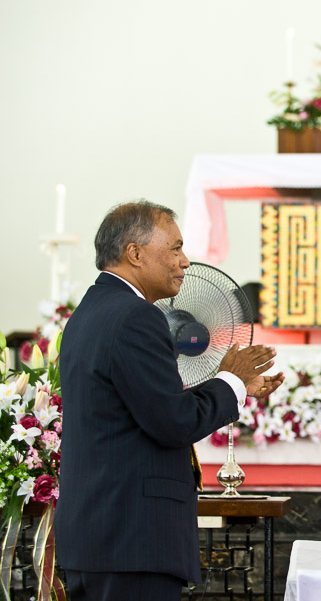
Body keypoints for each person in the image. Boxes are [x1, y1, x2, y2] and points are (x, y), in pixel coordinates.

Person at [55, 201, 284, 601]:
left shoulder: (90, 312)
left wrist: (236, 385)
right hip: (132, 540)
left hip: (100, 535)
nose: (186, 261)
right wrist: (230, 380)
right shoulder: (136, 316)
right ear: (135, 253)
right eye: (175, 248)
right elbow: (171, 422)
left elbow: (145, 406)